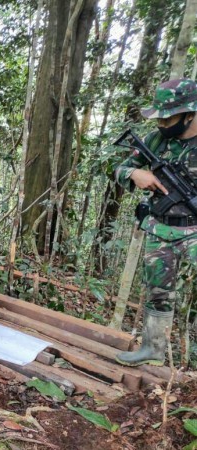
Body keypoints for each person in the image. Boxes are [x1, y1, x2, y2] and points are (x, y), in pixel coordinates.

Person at [114, 78, 197, 366]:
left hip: (194, 229)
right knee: (158, 292)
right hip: (160, 228)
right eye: (159, 117)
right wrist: (135, 175)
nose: (162, 123)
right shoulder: (156, 140)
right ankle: (152, 349)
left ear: (189, 114)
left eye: (169, 117)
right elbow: (121, 167)